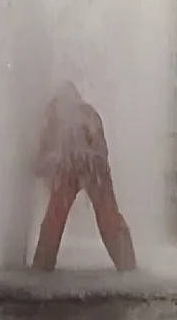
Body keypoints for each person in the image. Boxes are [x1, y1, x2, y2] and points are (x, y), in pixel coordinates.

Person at [31, 82, 136, 272]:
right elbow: (101, 148)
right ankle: (129, 267)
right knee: (109, 218)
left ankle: (41, 270)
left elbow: (41, 160)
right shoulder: (89, 114)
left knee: (54, 221)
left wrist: (38, 167)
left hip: (70, 164)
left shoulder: (54, 115)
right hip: (92, 163)